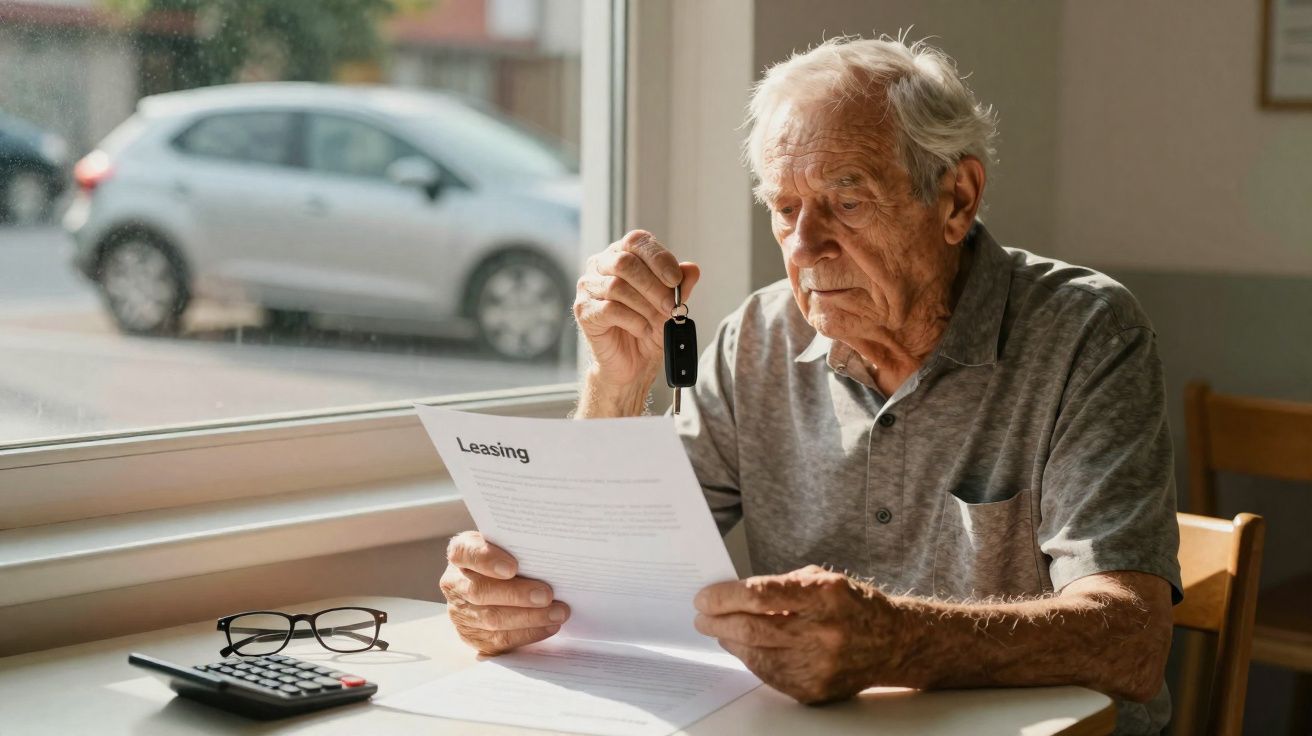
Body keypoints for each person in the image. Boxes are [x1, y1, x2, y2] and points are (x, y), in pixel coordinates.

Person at [440, 35, 1181, 735]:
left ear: (957, 199)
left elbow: (1132, 637)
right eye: (785, 209)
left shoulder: (1087, 334)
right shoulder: (755, 339)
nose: (803, 246)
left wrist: (897, 642)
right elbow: (604, 570)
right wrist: (614, 386)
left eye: (846, 202)